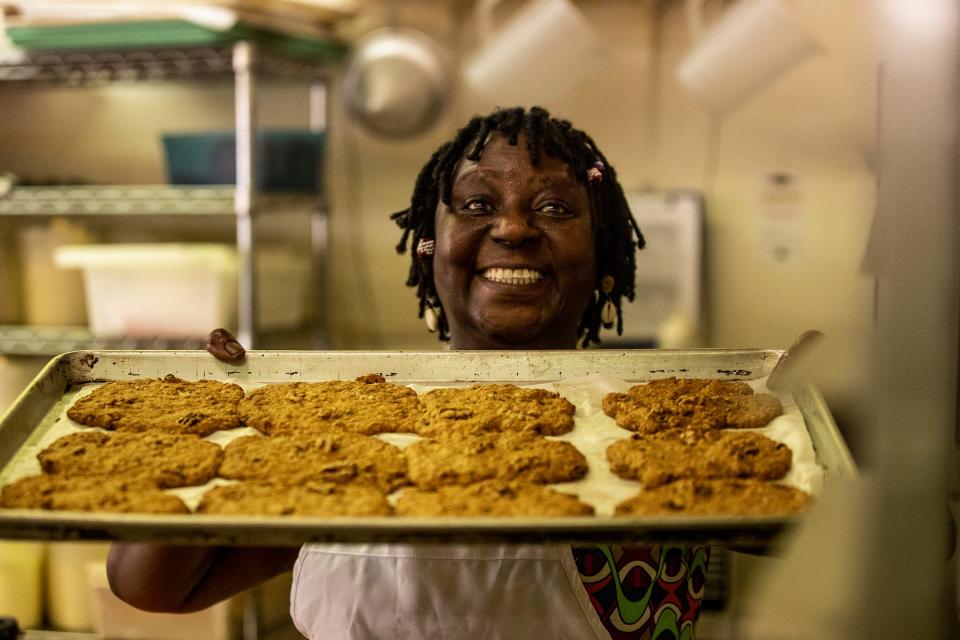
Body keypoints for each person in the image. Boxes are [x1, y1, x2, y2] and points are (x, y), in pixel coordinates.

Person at [108, 106, 709, 639]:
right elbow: (155, 588)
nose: (514, 229)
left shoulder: (666, 436)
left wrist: (806, 413)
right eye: (477, 204)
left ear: (604, 254)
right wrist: (213, 425)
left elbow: (792, 532)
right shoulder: (342, 437)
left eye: (554, 208)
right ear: (430, 245)